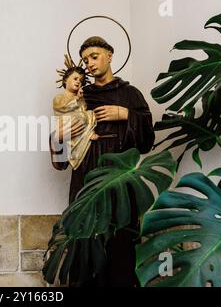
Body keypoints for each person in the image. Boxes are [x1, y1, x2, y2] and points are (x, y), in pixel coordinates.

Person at [51, 36, 155, 287]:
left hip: (119, 181)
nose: (89, 64)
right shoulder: (79, 96)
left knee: (120, 248)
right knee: (85, 246)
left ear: (109, 55)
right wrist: (59, 137)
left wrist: (125, 114)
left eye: (94, 56)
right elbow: (62, 154)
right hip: (85, 180)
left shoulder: (130, 94)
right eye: (85, 60)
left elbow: (146, 140)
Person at [52, 66, 98, 170]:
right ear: (65, 80)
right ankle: (87, 135)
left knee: (90, 113)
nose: (78, 82)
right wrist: (77, 99)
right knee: (82, 116)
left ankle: (87, 135)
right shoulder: (59, 98)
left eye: (81, 81)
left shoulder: (81, 99)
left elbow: (84, 110)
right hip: (67, 124)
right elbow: (62, 106)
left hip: (79, 125)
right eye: (75, 78)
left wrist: (80, 99)